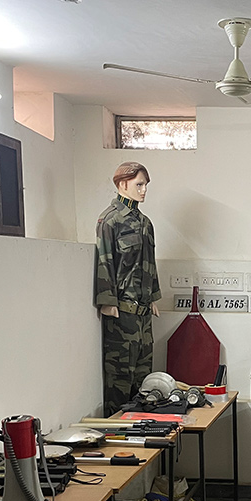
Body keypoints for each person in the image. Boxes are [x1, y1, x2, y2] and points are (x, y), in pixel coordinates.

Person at [94, 162, 161, 414]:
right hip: (122, 315)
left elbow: (150, 264)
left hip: (144, 314)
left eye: (145, 185)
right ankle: (117, 430)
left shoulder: (145, 223)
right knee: (120, 381)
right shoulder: (110, 220)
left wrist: (153, 297)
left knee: (144, 381)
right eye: (139, 185)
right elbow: (105, 260)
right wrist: (107, 301)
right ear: (122, 184)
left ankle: (142, 428)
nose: (144, 190)